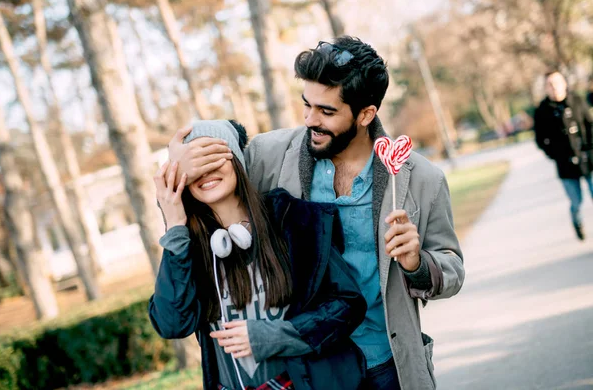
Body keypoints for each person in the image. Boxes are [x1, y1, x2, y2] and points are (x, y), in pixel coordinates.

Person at [168, 37, 465, 390]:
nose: (310, 120)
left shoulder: (423, 180)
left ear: (366, 114)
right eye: (307, 105)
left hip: (386, 362)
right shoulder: (269, 154)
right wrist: (180, 162)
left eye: (326, 112)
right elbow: (212, 185)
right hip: (310, 368)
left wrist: (417, 263)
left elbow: (452, 269)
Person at [149, 119, 367, 390]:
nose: (205, 173)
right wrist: (175, 226)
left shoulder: (293, 221)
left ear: (237, 160)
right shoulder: (189, 248)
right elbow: (172, 324)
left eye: (214, 158)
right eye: (194, 168)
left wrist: (274, 336)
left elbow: (348, 304)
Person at [534, 70, 593, 240]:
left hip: (588, 159)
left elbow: (589, 124)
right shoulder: (542, 111)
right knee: (576, 202)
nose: (554, 87)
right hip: (565, 165)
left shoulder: (577, 100)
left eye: (557, 82)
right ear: (546, 88)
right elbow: (540, 140)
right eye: (550, 84)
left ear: (564, 83)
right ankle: (577, 222)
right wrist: (554, 154)